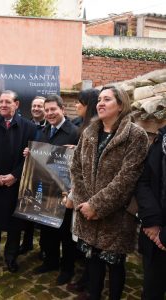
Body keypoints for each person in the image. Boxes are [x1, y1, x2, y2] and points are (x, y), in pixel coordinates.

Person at [71, 85, 148, 300]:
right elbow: (75, 167)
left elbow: (127, 178)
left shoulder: (136, 135)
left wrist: (96, 205)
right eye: (99, 99)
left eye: (107, 99)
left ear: (121, 105)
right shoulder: (89, 132)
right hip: (87, 213)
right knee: (92, 261)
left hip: (117, 216)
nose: (100, 103)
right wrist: (84, 203)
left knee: (115, 265)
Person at [0, 90, 36, 273]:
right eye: (1, 101)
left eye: (7, 102)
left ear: (16, 104)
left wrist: (15, 175)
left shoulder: (29, 127)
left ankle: (11, 256)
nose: (3, 105)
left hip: (15, 184)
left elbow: (30, 156)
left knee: (14, 224)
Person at [32, 94, 79, 286]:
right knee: (47, 228)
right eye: (47, 110)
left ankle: (67, 269)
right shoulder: (42, 131)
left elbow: (83, 161)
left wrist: (76, 150)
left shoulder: (75, 132)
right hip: (46, 188)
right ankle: (50, 261)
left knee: (66, 233)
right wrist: (31, 153)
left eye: (53, 109)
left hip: (65, 192)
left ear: (62, 110)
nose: (49, 113)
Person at [66, 88, 99, 294]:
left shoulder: (94, 129)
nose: (76, 105)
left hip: (89, 195)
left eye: (80, 102)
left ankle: (90, 281)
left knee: (90, 241)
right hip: (79, 192)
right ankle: (86, 277)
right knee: (83, 240)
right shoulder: (81, 126)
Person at [137, 125, 166, 300]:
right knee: (151, 290)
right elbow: (144, 181)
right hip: (155, 234)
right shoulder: (160, 139)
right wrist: (152, 223)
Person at [19, 96, 47, 257]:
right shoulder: (25, 125)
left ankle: (44, 247)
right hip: (27, 173)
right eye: (34, 106)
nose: (36, 109)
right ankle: (26, 242)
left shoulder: (49, 127)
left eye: (39, 106)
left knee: (42, 211)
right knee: (27, 208)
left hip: (44, 175)